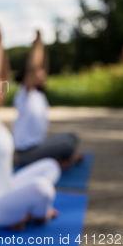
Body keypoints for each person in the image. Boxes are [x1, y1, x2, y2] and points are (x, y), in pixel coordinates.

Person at [0, 20, 60, 230]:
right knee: (42, 188)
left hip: (6, 190)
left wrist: (4, 47)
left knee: (50, 166)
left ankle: (23, 211)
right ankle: (39, 215)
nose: (2, 92)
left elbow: (1, 75)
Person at [13, 30, 83, 169]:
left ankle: (58, 160)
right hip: (27, 154)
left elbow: (42, 66)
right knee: (66, 145)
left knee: (71, 136)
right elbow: (34, 67)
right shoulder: (25, 94)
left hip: (39, 146)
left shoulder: (39, 95)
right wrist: (38, 43)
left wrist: (42, 45)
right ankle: (59, 161)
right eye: (40, 75)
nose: (43, 76)